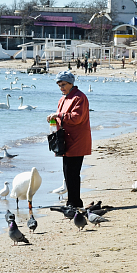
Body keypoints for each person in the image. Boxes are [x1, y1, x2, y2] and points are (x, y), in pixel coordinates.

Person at [47, 70, 91, 208]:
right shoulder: (63, 98)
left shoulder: (79, 97)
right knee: (67, 173)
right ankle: (72, 202)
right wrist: (54, 119)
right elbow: (62, 116)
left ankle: (75, 202)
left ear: (71, 83)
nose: (61, 88)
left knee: (73, 173)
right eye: (59, 85)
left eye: (64, 84)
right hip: (65, 140)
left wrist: (59, 115)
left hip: (77, 140)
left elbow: (77, 118)